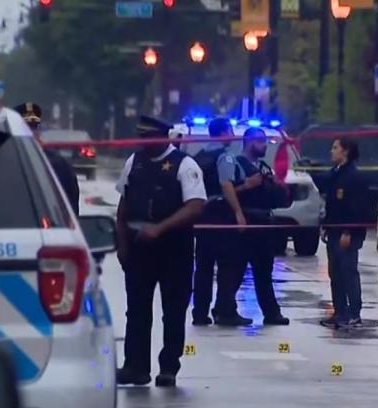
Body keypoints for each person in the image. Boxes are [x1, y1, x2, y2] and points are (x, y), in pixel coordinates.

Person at [115, 115, 207, 387]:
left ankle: (168, 367)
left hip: (173, 250)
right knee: (137, 309)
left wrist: (161, 228)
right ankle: (136, 366)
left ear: (165, 137)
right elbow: (123, 206)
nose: (145, 143)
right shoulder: (135, 162)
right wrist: (122, 246)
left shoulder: (184, 165)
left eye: (149, 138)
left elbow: (195, 206)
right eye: (142, 138)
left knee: (174, 310)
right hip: (139, 249)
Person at [191, 118, 251, 327]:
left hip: (202, 216)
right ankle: (226, 312)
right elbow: (226, 184)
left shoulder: (199, 156)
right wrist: (238, 212)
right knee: (228, 265)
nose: (233, 133)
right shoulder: (224, 157)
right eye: (231, 130)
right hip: (221, 215)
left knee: (203, 268)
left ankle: (199, 313)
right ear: (224, 132)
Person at [234, 128, 290, 326]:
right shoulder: (236, 164)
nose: (265, 145)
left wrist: (276, 185)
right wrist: (247, 185)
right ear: (249, 142)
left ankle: (272, 312)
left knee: (264, 272)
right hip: (245, 222)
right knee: (235, 270)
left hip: (264, 223)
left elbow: (276, 198)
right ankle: (224, 308)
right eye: (260, 141)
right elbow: (226, 192)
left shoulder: (264, 167)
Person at [320, 137, 369, 329]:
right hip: (333, 231)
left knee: (348, 273)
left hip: (347, 233)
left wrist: (348, 231)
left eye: (335, 148)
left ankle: (354, 313)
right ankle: (339, 311)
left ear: (345, 151)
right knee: (335, 273)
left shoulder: (352, 177)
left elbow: (357, 208)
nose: (331, 151)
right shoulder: (335, 174)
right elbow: (330, 202)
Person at [14, 102, 81, 216]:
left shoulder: (59, 165)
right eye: (25, 126)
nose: (31, 131)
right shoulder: (1, 161)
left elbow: (71, 210)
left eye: (34, 126)